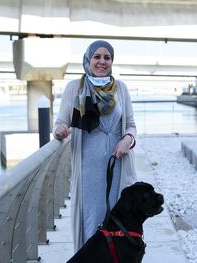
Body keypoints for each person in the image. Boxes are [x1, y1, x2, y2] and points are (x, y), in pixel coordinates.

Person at [53, 40, 137, 251]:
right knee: (91, 220)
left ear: (112, 61)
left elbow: (132, 126)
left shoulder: (121, 89)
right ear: (88, 60)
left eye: (107, 57)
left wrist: (127, 140)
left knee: (118, 221)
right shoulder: (76, 88)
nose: (102, 61)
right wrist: (59, 131)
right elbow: (61, 122)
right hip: (88, 168)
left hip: (117, 164)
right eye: (97, 57)